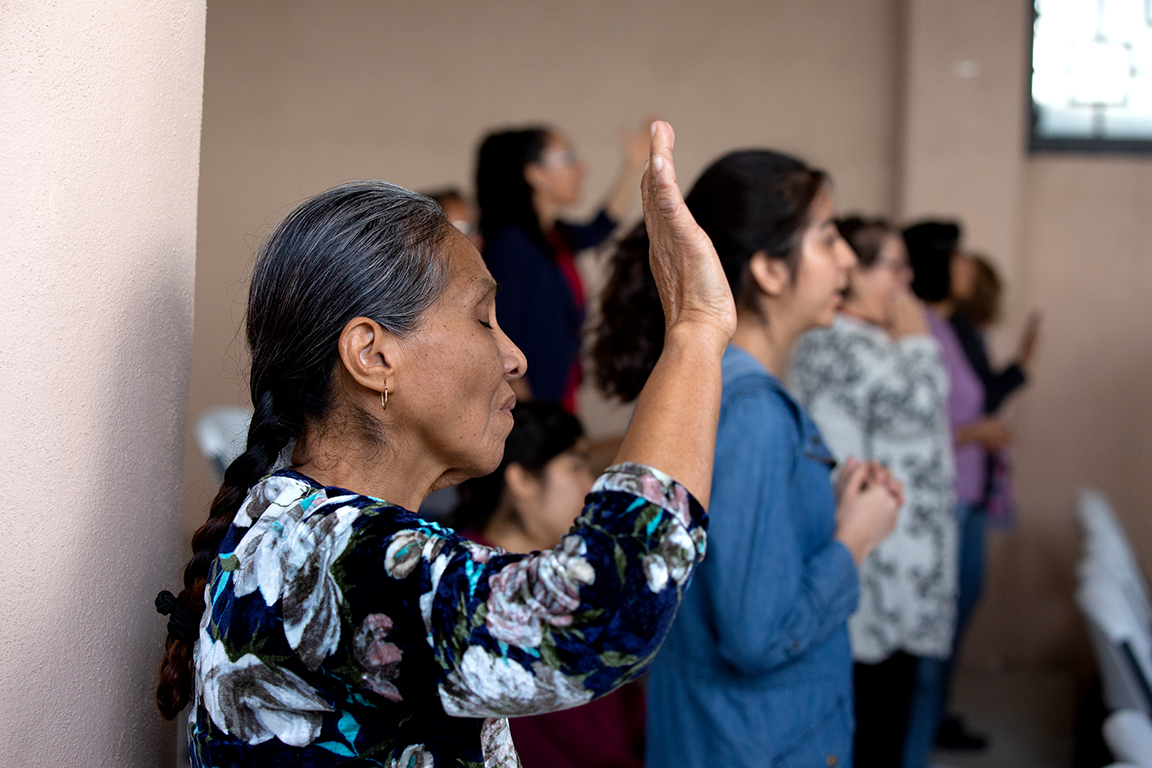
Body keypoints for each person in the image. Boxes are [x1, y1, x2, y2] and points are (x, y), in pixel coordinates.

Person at [153, 122, 739, 767]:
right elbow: (598, 612)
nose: (515, 357)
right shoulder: (326, 553)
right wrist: (695, 329)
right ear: (373, 355)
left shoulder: (303, 530)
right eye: (483, 319)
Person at [593, 150, 903, 768]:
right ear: (769, 269)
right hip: (758, 741)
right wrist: (855, 539)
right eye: (827, 238)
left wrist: (825, 512)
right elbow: (758, 635)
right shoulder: (751, 409)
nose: (846, 258)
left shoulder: (713, 387)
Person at [790, 217, 958, 767]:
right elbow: (917, 409)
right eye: (895, 267)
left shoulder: (879, 340)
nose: (906, 281)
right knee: (870, 725)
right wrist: (920, 344)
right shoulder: (832, 343)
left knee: (894, 714)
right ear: (854, 272)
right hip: (871, 571)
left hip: (904, 568)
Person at [453, 401, 646, 768]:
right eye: (576, 465)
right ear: (523, 481)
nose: (591, 485)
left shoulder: (576, 573)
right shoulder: (464, 584)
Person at [901, 221, 1011, 765]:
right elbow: (915, 430)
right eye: (957, 262)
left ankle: (932, 723)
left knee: (953, 618)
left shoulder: (950, 328)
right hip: (941, 500)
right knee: (930, 635)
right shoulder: (917, 329)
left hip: (964, 494)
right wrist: (975, 434)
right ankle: (917, 740)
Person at [475, 123, 649, 411]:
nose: (581, 168)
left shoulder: (553, 236)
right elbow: (500, 327)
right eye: (567, 159)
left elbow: (600, 227)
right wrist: (525, 410)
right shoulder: (511, 245)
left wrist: (632, 167)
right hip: (531, 404)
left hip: (559, 391)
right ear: (535, 174)